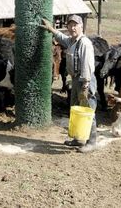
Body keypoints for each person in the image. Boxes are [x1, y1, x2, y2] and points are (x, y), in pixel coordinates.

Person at [41, 14, 97, 153]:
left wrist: (85, 85)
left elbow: (87, 65)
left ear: (81, 27)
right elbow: (62, 38)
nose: (72, 28)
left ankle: (92, 142)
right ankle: (78, 139)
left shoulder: (84, 43)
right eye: (70, 25)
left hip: (85, 81)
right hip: (76, 80)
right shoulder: (72, 41)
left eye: (75, 25)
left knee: (87, 111)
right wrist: (51, 29)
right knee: (76, 109)